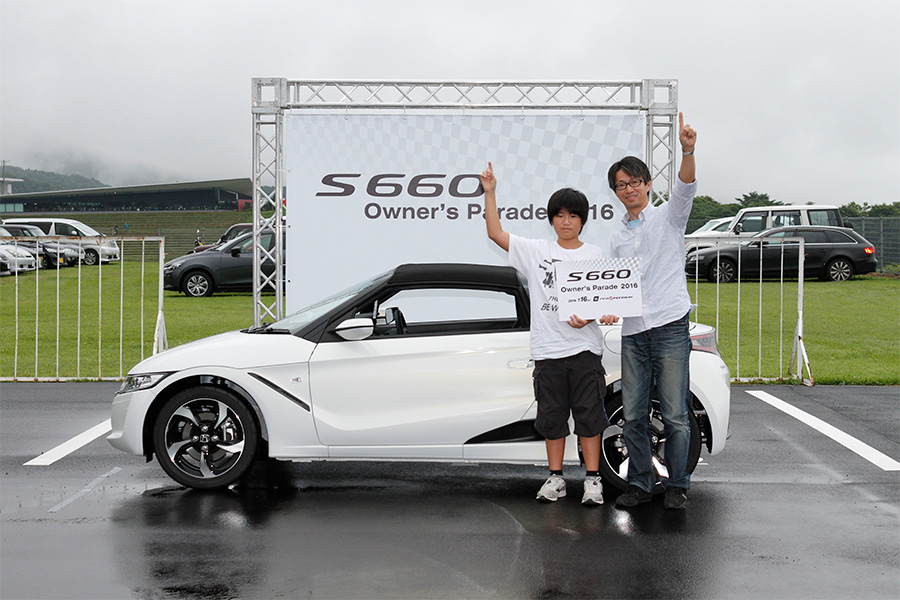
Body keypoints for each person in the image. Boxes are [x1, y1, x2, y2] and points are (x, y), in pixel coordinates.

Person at [479, 162, 618, 505]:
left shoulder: (595, 255)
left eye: (573, 215)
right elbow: (495, 233)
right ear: (551, 219)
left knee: (589, 418)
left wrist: (591, 317)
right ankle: (556, 478)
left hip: (585, 352)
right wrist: (490, 193)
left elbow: (604, 302)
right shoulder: (536, 250)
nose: (566, 221)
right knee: (552, 419)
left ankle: (592, 479)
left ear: (583, 220)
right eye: (559, 215)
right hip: (547, 352)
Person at [607, 112, 698, 510]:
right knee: (634, 414)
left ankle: (677, 484)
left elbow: (686, 187)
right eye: (621, 185)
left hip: (669, 325)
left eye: (634, 182)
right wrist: (607, 309)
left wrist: (688, 151)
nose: (628, 189)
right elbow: (614, 285)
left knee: (676, 413)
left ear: (646, 184)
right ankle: (641, 483)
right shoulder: (616, 235)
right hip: (632, 331)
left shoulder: (669, 217)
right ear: (615, 192)